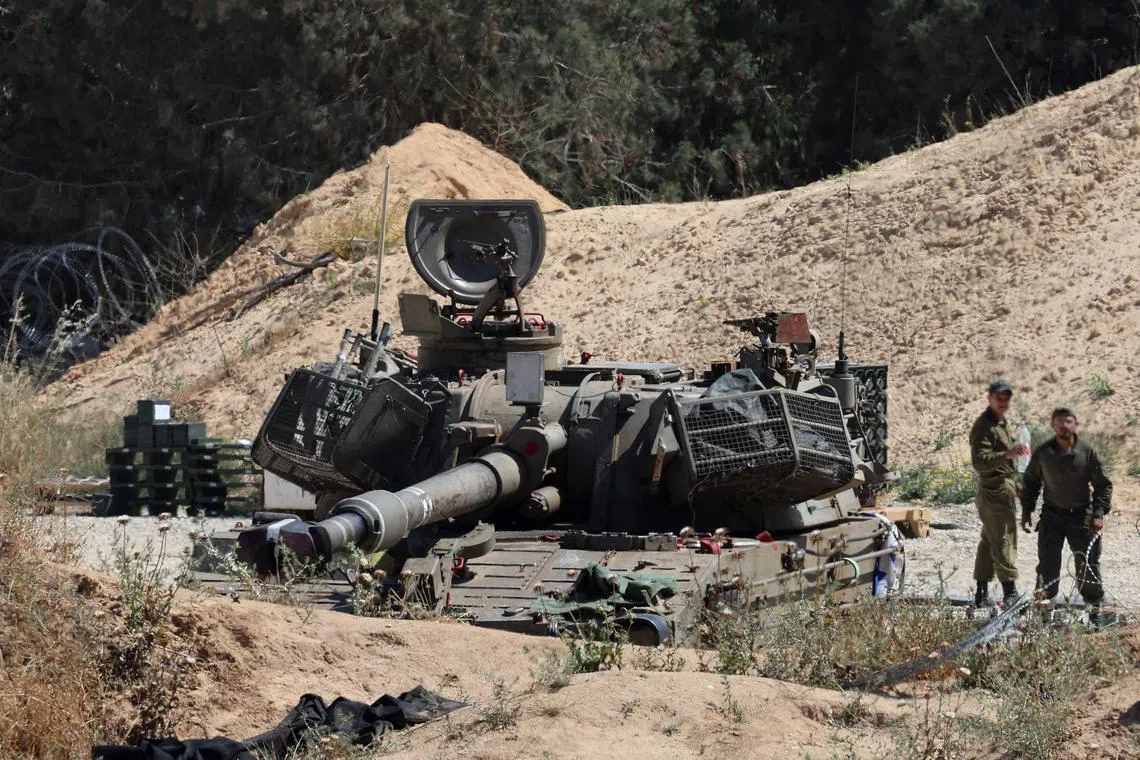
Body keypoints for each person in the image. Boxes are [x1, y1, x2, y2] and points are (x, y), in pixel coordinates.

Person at [1020, 406, 1113, 619]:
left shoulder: (1087, 452)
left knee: (1087, 565)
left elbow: (1103, 485)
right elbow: (1031, 482)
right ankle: (1043, 611)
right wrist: (1027, 510)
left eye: (1068, 421)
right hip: (1052, 516)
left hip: (1082, 517)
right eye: (1059, 421)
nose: (1064, 425)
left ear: (1075, 424)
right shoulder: (1044, 452)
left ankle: (1094, 609)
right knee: (1047, 565)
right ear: (1052, 425)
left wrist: (1099, 513)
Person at [969, 379, 1029, 607]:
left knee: (989, 539)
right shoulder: (985, 426)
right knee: (1004, 538)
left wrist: (1016, 483)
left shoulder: (1000, 422)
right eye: (999, 398)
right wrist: (1007, 455)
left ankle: (981, 593)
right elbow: (980, 462)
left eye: (1006, 398)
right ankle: (1010, 592)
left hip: (1002, 487)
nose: (1003, 402)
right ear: (989, 399)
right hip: (993, 490)